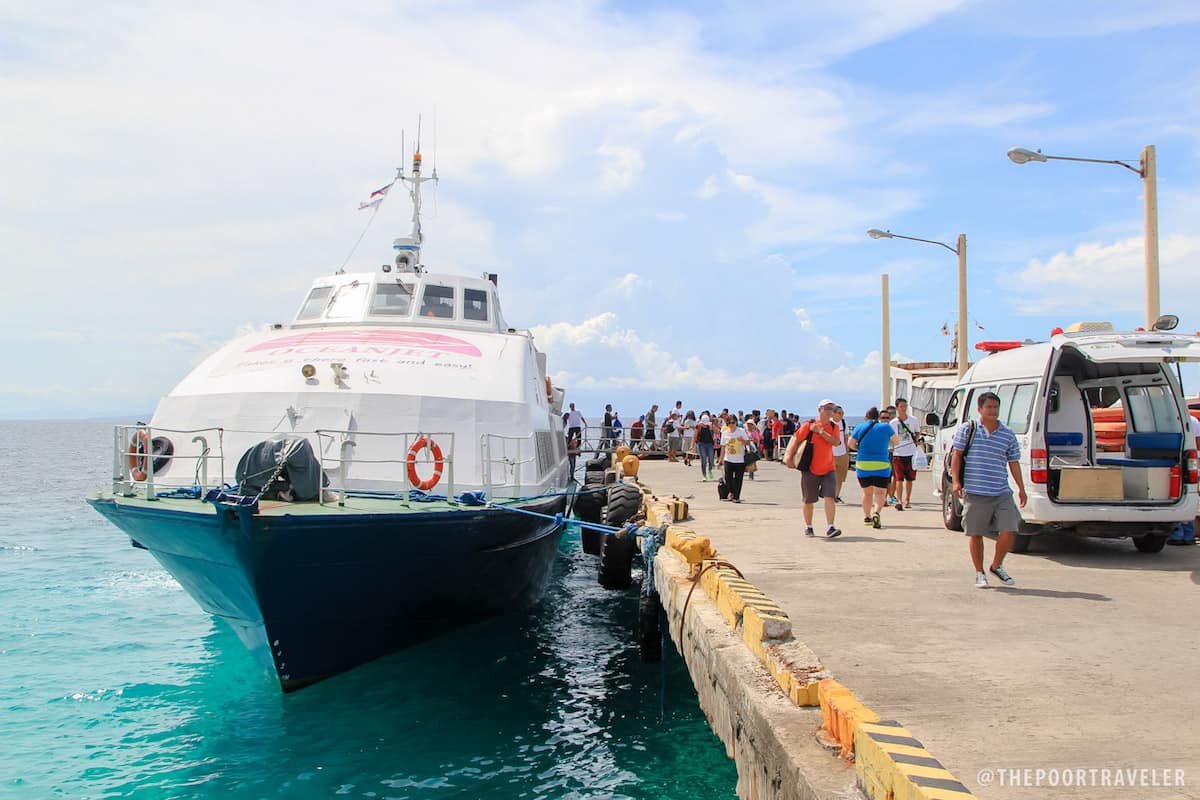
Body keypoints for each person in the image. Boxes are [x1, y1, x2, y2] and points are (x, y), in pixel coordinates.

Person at [950, 391, 1027, 589]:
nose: (993, 411)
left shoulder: (1007, 433)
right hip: (975, 491)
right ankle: (979, 572)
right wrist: (956, 482)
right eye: (989, 407)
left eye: (995, 407)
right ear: (980, 409)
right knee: (976, 533)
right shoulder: (968, 429)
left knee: (1010, 529)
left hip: (1001, 490)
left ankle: (996, 565)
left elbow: (1014, 462)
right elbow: (957, 456)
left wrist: (1021, 488)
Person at [786, 399, 842, 538]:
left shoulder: (834, 427)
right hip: (810, 468)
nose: (830, 410)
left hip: (829, 467)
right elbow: (796, 440)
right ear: (820, 410)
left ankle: (830, 526)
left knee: (830, 496)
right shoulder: (808, 425)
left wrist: (821, 432)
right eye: (827, 408)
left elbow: (836, 442)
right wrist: (788, 457)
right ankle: (809, 526)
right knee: (809, 499)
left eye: (832, 408)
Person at [849, 407, 900, 529]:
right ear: (878, 417)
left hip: (863, 464)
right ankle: (876, 513)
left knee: (867, 493)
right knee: (880, 493)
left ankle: (867, 517)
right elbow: (896, 441)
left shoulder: (860, 427)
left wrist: (859, 448)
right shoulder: (885, 427)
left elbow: (850, 443)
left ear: (866, 417)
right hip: (881, 464)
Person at [1168, 407, 1200, 545]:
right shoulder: (1193, 420)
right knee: (1188, 496)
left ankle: (1177, 534)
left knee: (1175, 496)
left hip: (1176, 462)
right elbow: (1197, 443)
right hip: (1191, 462)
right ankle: (1189, 535)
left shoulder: (1171, 420)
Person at [889, 398, 922, 511]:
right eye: (901, 406)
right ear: (897, 408)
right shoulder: (893, 423)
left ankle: (907, 499)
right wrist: (891, 447)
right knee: (898, 479)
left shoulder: (913, 420)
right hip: (898, 453)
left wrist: (916, 440)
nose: (903, 408)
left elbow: (917, 432)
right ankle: (899, 500)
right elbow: (890, 437)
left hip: (911, 452)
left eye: (905, 406)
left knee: (909, 478)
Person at [720, 416, 751, 502]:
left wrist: (742, 441)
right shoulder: (725, 433)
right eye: (729, 423)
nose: (731, 424)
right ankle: (731, 492)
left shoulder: (741, 431)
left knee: (738, 479)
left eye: (733, 422)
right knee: (728, 478)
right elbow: (723, 446)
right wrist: (720, 459)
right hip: (728, 459)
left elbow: (748, 442)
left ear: (736, 422)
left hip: (739, 459)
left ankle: (736, 496)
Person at [831, 405, 850, 503]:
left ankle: (836, 495)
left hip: (842, 453)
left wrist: (847, 452)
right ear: (833, 413)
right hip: (831, 454)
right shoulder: (829, 423)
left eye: (842, 413)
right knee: (831, 476)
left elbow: (846, 438)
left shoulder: (844, 423)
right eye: (839, 413)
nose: (841, 415)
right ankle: (830, 494)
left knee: (840, 477)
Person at [695, 411, 716, 480]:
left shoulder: (710, 425)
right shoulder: (699, 426)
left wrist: (712, 427)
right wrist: (692, 445)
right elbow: (695, 435)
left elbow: (718, 431)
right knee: (703, 460)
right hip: (702, 444)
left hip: (710, 444)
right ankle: (704, 475)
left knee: (711, 459)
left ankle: (710, 470)